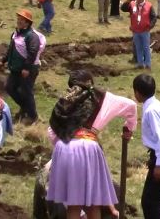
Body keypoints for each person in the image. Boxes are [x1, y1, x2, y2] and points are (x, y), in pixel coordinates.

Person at [47, 70, 137, 219]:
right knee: (93, 203)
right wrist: (129, 128)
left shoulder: (64, 101)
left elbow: (51, 131)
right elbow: (131, 106)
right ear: (90, 83)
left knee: (73, 204)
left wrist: (65, 146)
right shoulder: (103, 98)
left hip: (64, 149)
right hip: (88, 147)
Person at [132, 74, 160, 219]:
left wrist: (159, 164)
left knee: (150, 201)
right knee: (153, 199)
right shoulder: (153, 104)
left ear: (137, 92)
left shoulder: (151, 110)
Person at [0, 9, 46, 125]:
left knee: (26, 92)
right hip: (15, 69)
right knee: (9, 87)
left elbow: (33, 52)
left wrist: (26, 68)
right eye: (18, 19)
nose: (19, 21)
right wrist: (3, 60)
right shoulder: (16, 34)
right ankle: (26, 108)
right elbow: (11, 49)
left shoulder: (31, 36)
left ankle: (32, 116)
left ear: (27, 23)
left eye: (22, 20)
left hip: (28, 70)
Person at [121, 0, 157, 70]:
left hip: (145, 31)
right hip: (135, 31)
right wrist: (129, 0)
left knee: (146, 47)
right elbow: (123, 8)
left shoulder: (149, 5)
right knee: (138, 47)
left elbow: (154, 17)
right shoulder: (132, 4)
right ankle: (140, 63)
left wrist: (150, 26)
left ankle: (147, 64)